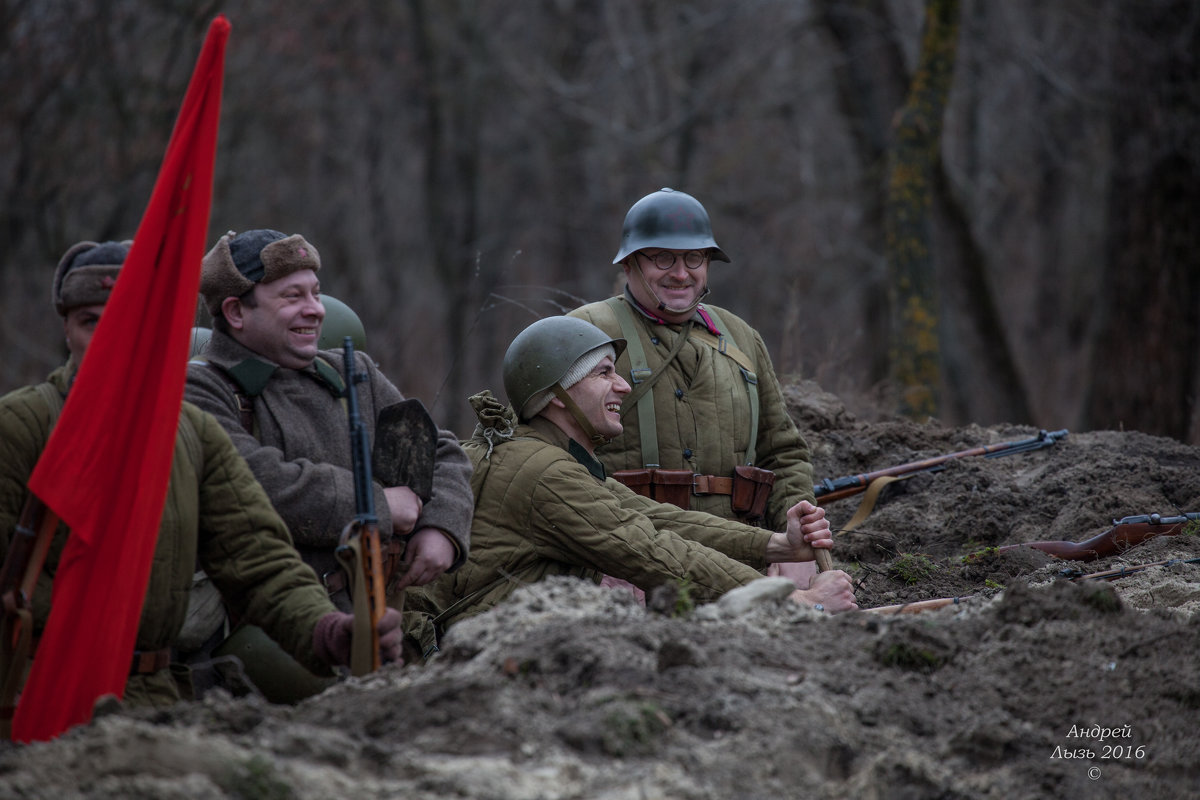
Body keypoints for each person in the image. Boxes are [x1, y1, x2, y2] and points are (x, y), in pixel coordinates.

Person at [0, 240, 404, 708]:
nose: (112, 335)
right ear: (67, 329)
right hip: (34, 690)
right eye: (91, 321)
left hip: (152, 695)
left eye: (132, 317)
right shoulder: (21, 427)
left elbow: (256, 559)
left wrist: (327, 630)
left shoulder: (191, 433)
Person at [408, 316, 856, 651]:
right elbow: (658, 556)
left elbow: (658, 519)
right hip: (466, 658)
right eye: (603, 373)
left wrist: (777, 544)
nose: (623, 385)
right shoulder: (546, 473)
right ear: (556, 397)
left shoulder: (539, 454)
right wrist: (797, 603)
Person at [185, 229, 473, 612]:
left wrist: (442, 527)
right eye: (293, 296)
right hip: (261, 629)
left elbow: (438, 451)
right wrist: (376, 505)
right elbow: (255, 482)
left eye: (315, 293)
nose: (316, 309)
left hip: (374, 614)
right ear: (236, 312)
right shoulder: (199, 387)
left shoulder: (353, 372)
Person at [569, 188, 822, 589]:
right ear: (631, 262)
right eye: (663, 258)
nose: (681, 273)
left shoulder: (741, 337)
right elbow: (547, 459)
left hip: (744, 557)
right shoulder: (584, 333)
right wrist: (597, 559)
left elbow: (783, 454)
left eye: (694, 258)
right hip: (633, 559)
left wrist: (798, 550)